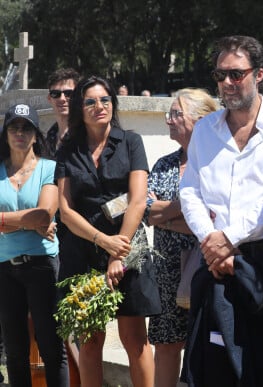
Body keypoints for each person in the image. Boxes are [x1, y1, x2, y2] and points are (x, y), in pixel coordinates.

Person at [179, 35, 263, 387]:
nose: (227, 83)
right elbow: (190, 191)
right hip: (214, 263)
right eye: (220, 75)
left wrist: (228, 238)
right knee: (215, 363)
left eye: (236, 74)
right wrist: (210, 240)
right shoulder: (205, 129)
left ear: (259, 73)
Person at [55, 75, 161, 387]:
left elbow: (138, 200)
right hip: (83, 251)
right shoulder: (68, 150)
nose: (99, 106)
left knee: (134, 339)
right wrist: (102, 240)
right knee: (89, 342)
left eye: (105, 100)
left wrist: (119, 252)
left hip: (129, 250)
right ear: (80, 108)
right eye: (90, 101)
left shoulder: (131, 142)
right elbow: (66, 209)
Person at [145, 88, 217, 386]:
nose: (168, 120)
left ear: (200, 120)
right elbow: (146, 212)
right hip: (166, 273)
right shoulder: (164, 163)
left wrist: (168, 216)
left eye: (176, 114)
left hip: (206, 267)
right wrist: (186, 207)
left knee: (208, 346)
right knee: (165, 346)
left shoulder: (216, 162)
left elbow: (212, 218)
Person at [0, 104, 68, 387]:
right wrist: (29, 222)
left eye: (26, 128)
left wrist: (4, 221)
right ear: (5, 134)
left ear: (36, 135)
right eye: (13, 127)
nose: (19, 133)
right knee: (14, 352)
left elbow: (45, 213)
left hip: (42, 265)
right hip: (5, 268)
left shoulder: (49, 168)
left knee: (52, 348)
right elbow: (37, 218)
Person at [46, 68, 81, 159]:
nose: (62, 99)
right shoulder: (48, 138)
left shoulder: (87, 135)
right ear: (49, 98)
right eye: (55, 94)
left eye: (68, 93)